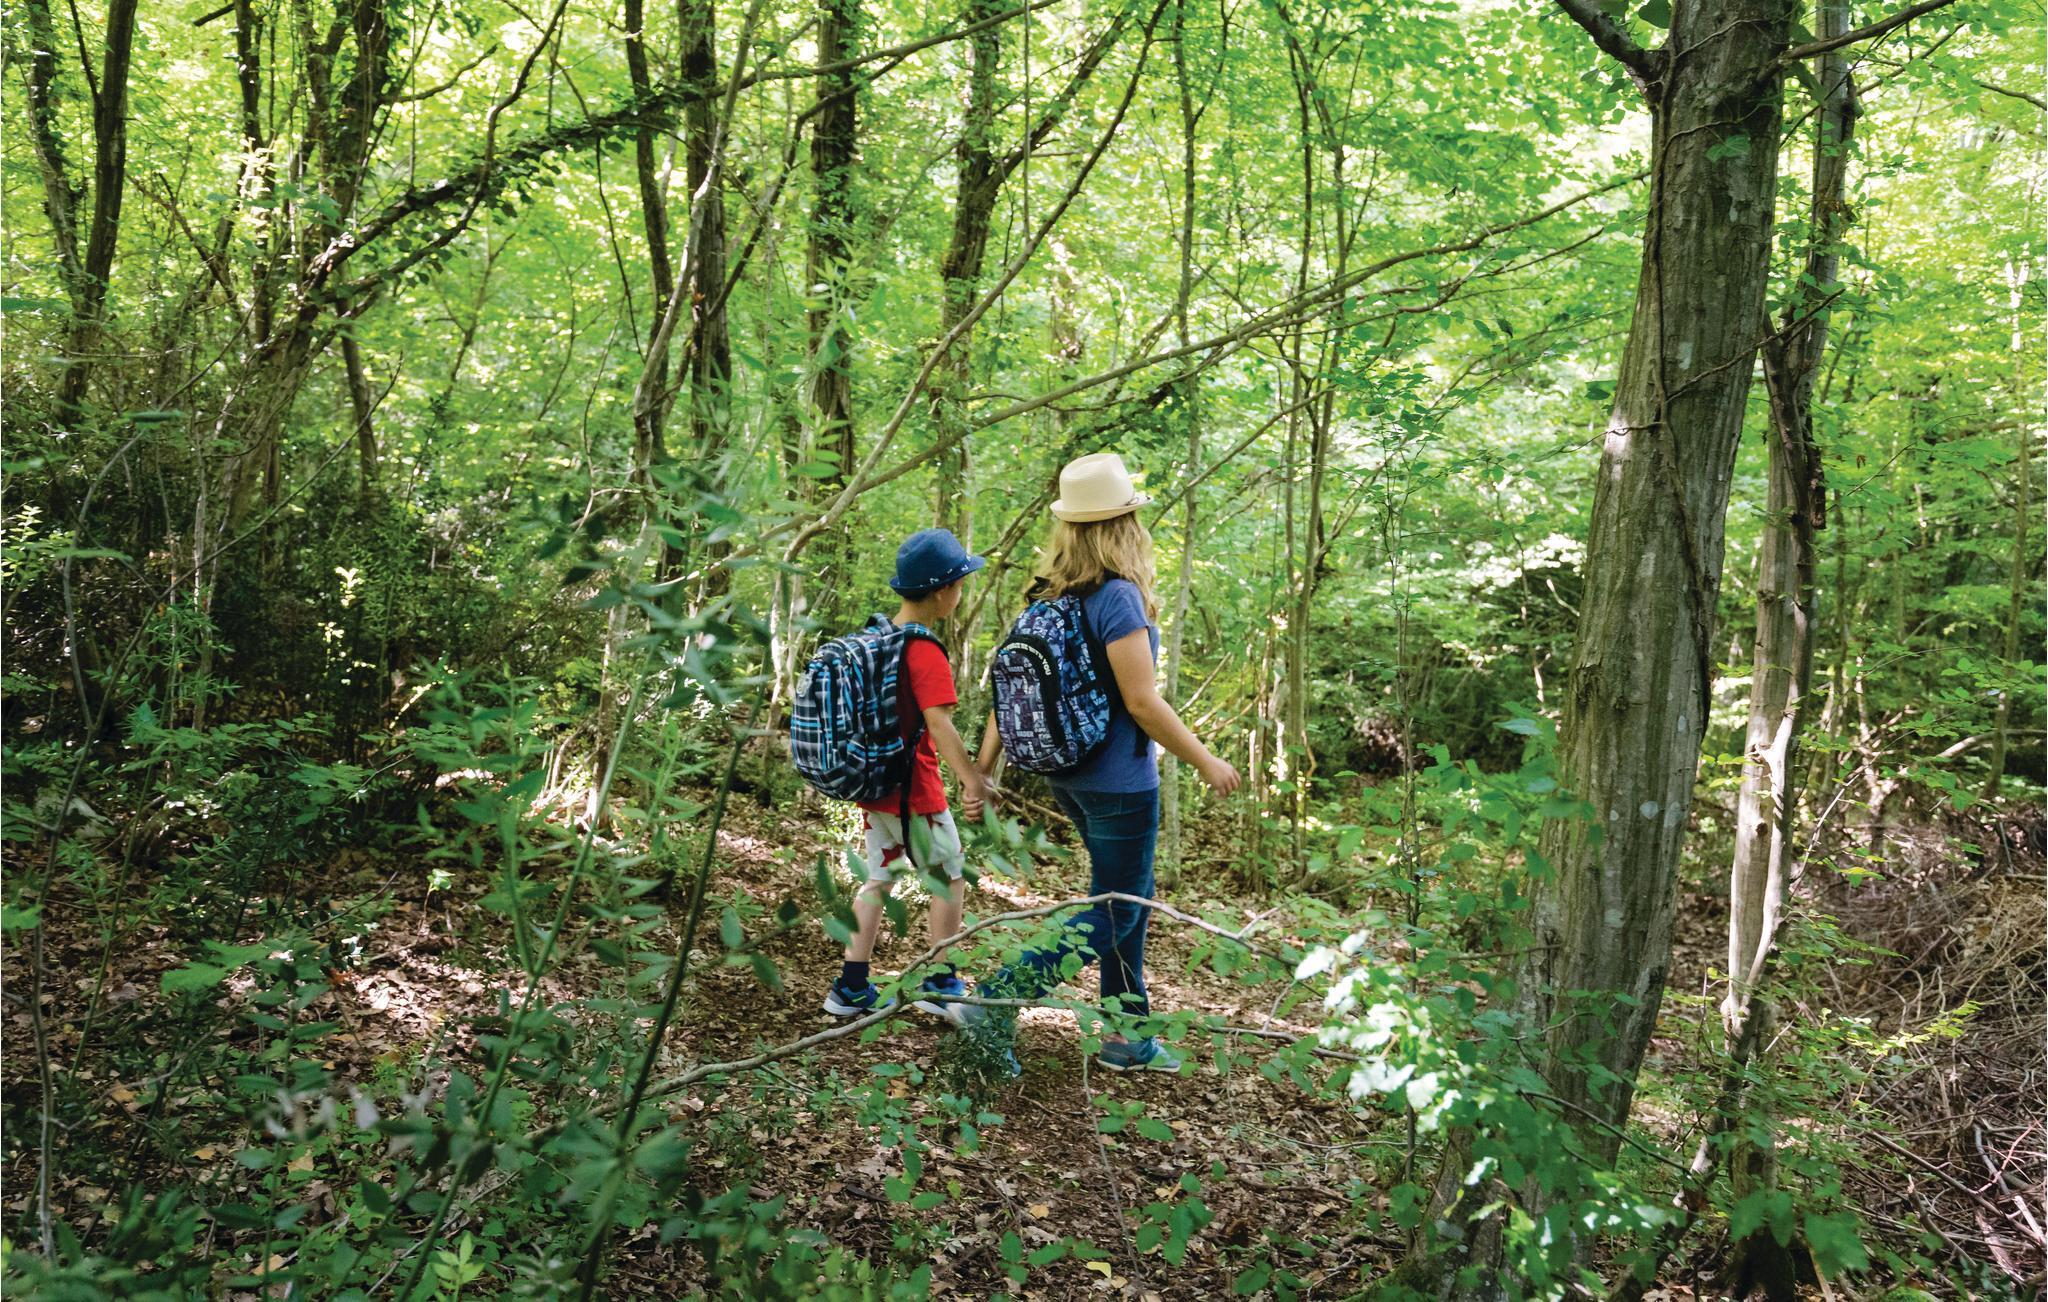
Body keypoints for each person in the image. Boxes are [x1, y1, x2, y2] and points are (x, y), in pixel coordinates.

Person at [967, 452, 1241, 1074]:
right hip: (1120, 783)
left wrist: (985, 768)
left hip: (1068, 777)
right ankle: (996, 998)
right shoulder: (1118, 598)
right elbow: (1142, 702)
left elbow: (1008, 695)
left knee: (1124, 899)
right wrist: (1205, 760)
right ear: (1124, 526)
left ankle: (1127, 1035)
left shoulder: (1046, 598)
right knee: (1119, 908)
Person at [821, 528, 993, 1022]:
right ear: (942, 591)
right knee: (950, 876)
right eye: (960, 584)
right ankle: (942, 982)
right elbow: (939, 725)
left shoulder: (879, 639)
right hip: (914, 791)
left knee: (879, 877)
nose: (961, 592)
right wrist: (972, 780)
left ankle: (851, 986)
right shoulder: (923, 650)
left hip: (875, 786)